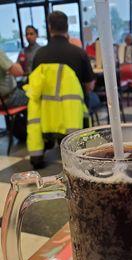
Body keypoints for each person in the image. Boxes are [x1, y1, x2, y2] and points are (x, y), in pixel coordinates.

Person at [29, 11, 100, 168]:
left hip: (46, 116)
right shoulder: (79, 53)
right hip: (73, 116)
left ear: (49, 28)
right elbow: (90, 86)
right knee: (95, 99)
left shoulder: (38, 55)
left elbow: (34, 86)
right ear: (67, 27)